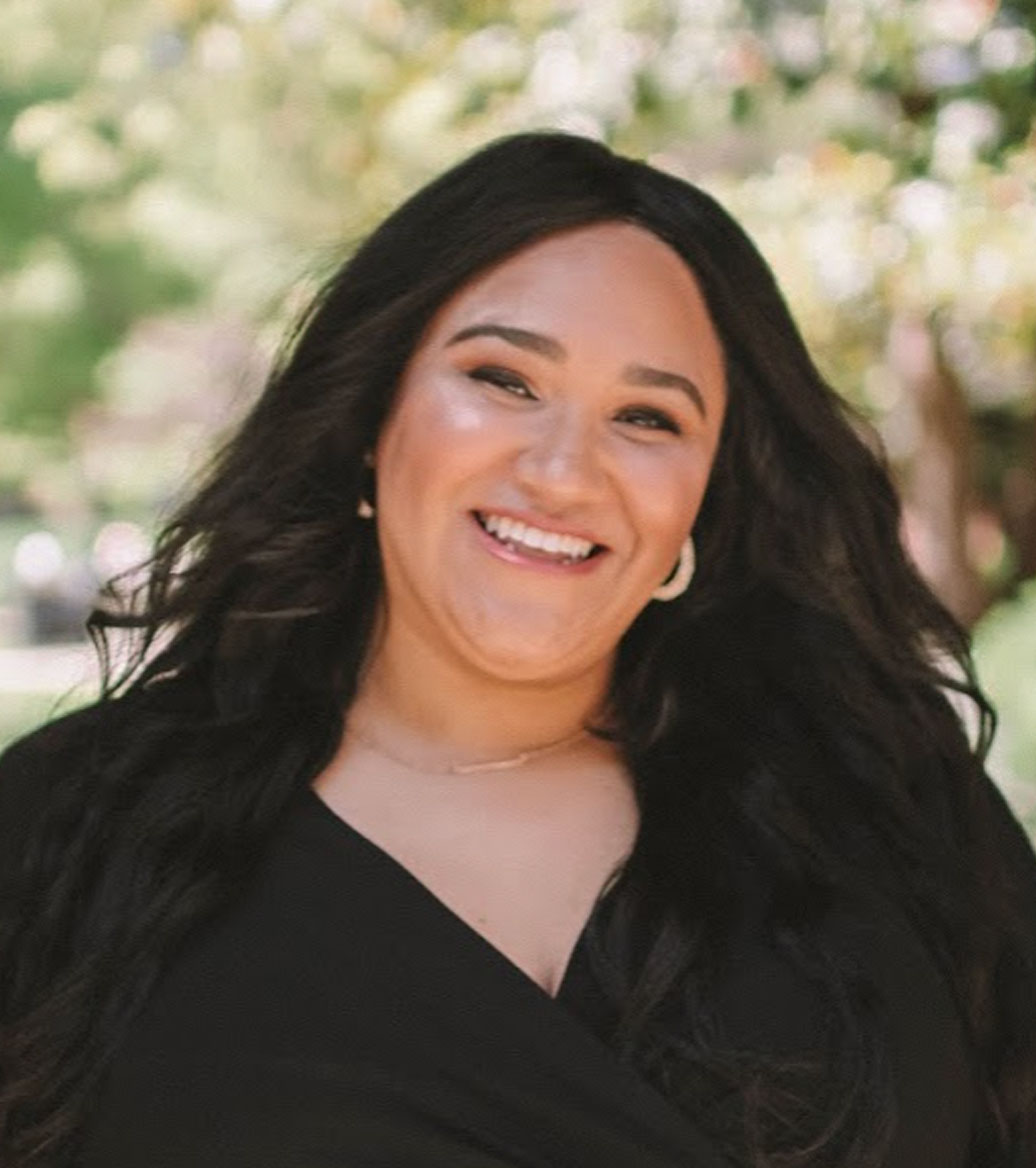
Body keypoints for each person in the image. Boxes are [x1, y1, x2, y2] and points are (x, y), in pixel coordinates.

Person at [0, 132, 1034, 1168]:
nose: (562, 471)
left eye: (646, 416)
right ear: (370, 416)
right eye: (503, 379)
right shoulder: (71, 832)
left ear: (707, 499)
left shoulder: (898, 819)